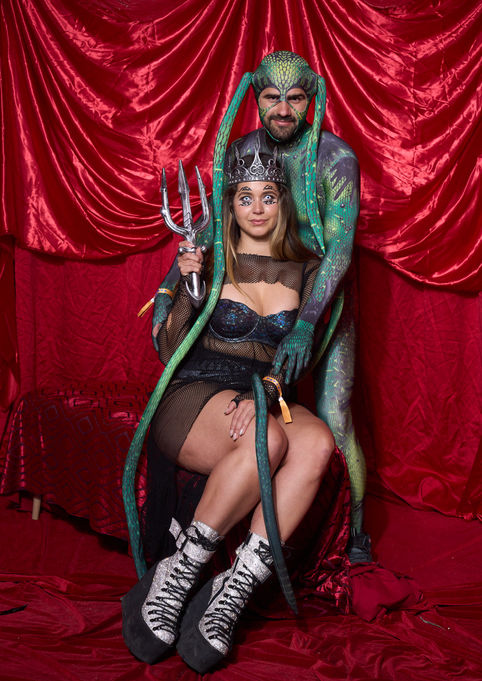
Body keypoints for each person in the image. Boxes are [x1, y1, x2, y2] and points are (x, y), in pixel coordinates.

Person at [122, 147, 338, 674]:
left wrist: (267, 387)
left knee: (316, 442)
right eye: (245, 198)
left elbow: (300, 352)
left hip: (264, 389)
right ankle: (179, 572)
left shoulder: (306, 270)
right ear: (231, 204)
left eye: (268, 197)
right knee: (268, 439)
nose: (257, 209)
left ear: (282, 203)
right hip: (195, 391)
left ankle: (234, 586)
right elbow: (167, 348)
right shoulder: (211, 258)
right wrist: (189, 287)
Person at [151, 51, 371, 562]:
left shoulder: (337, 159)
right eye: (272, 97)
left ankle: (357, 533)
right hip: (255, 294)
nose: (283, 109)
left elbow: (339, 252)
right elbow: (210, 229)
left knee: (334, 419)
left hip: (320, 301)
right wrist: (167, 291)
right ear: (255, 97)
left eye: (295, 98)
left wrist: (307, 324)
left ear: (312, 99)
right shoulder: (244, 149)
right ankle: (209, 547)